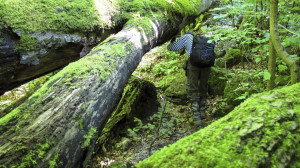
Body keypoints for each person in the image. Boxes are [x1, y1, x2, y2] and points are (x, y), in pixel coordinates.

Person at [167, 31, 212, 127]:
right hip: (207, 66)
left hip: (193, 66)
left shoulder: (187, 37)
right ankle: (203, 112)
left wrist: (172, 39)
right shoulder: (208, 37)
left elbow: (172, 48)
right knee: (203, 86)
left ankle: (196, 117)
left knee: (193, 88)